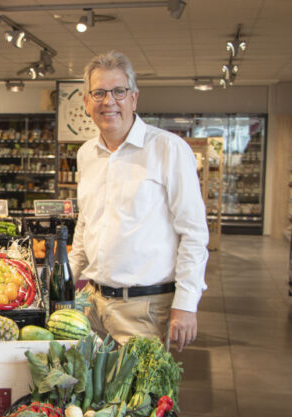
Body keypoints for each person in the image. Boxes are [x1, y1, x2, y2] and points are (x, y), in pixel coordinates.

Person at [69, 50, 209, 351]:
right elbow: (86, 223)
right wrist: (66, 279)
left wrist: (186, 303)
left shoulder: (168, 149)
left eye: (119, 91)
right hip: (91, 305)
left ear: (134, 98)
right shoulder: (86, 154)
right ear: (86, 102)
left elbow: (194, 233)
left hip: (145, 310)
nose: (109, 101)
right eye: (99, 93)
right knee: (85, 396)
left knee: (139, 397)